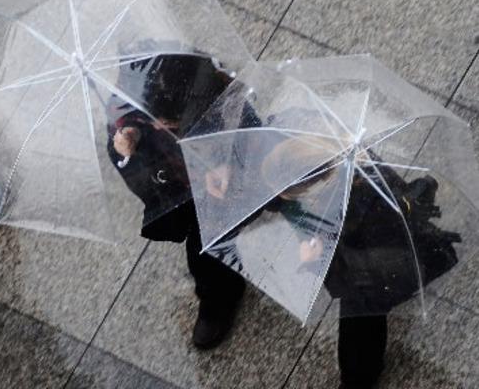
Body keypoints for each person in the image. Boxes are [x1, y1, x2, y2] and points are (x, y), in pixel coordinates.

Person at [253, 135, 458, 388]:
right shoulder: (334, 160)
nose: (283, 200)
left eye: (287, 194)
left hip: (390, 262)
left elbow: (346, 279)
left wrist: (316, 257)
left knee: (361, 320)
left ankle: (359, 378)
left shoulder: (359, 210)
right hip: (378, 232)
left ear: (312, 188)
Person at [107, 50, 255, 349]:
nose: (161, 128)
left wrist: (225, 163)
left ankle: (222, 292)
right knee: (203, 251)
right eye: (156, 122)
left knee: (215, 243)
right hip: (182, 196)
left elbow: (255, 139)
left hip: (224, 193)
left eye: (168, 124)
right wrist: (128, 154)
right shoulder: (132, 114)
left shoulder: (226, 105)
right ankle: (218, 294)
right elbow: (140, 181)